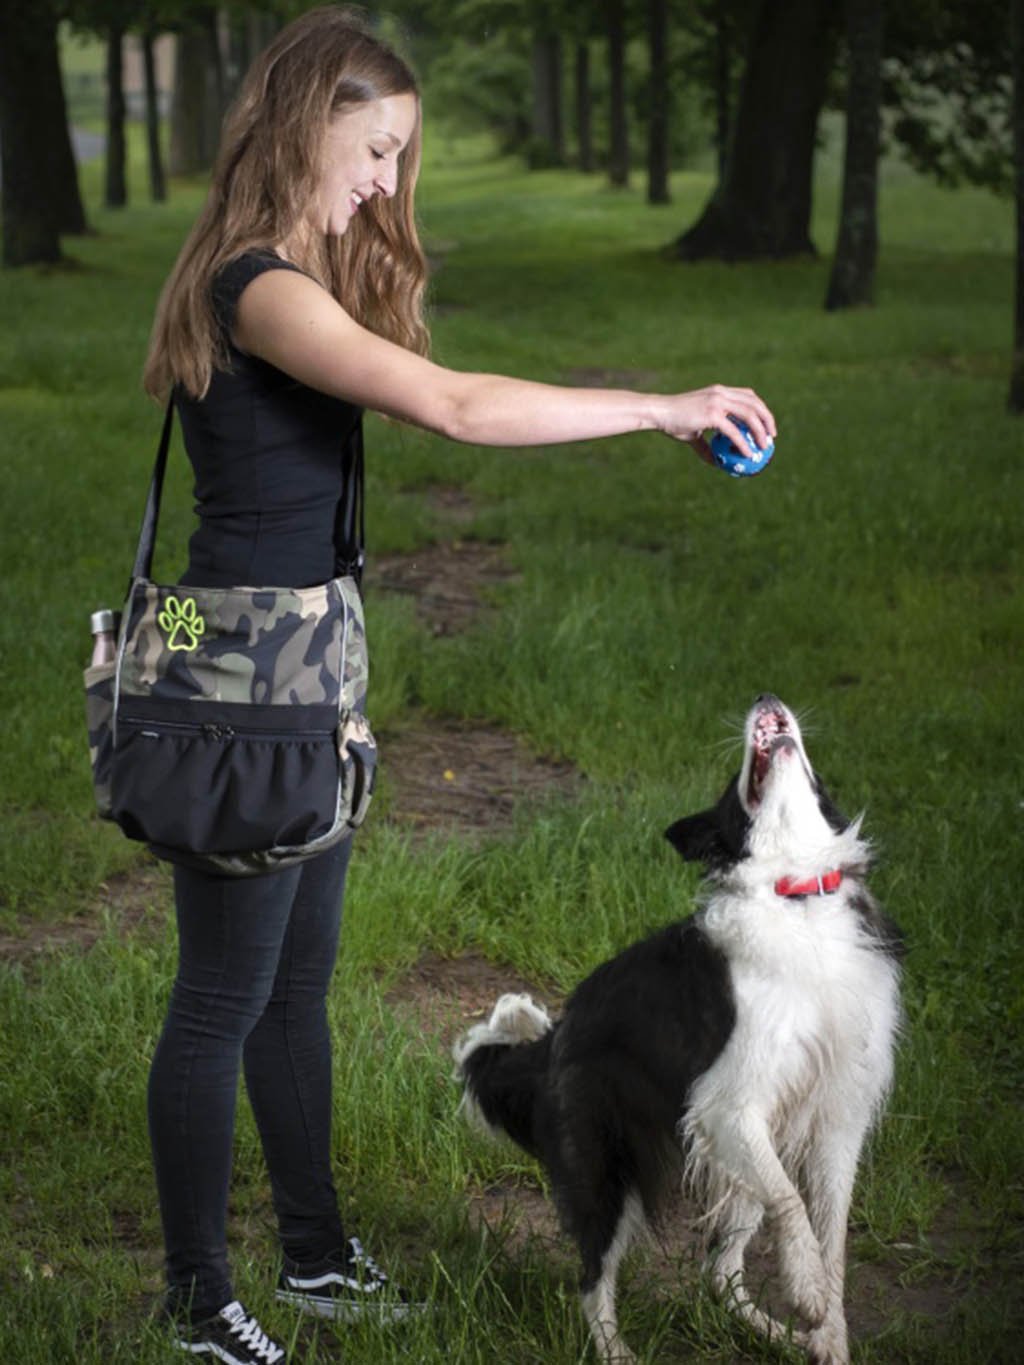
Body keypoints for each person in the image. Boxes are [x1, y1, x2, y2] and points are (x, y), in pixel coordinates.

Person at [142, 7, 776, 1362]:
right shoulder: (256, 286)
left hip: (305, 663)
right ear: (306, 118)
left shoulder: (293, 272)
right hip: (247, 680)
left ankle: (312, 1258)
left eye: (399, 158)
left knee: (298, 982)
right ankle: (199, 1301)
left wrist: (365, 226)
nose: (385, 180)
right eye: (372, 150)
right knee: (222, 996)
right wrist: (659, 405)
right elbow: (458, 406)